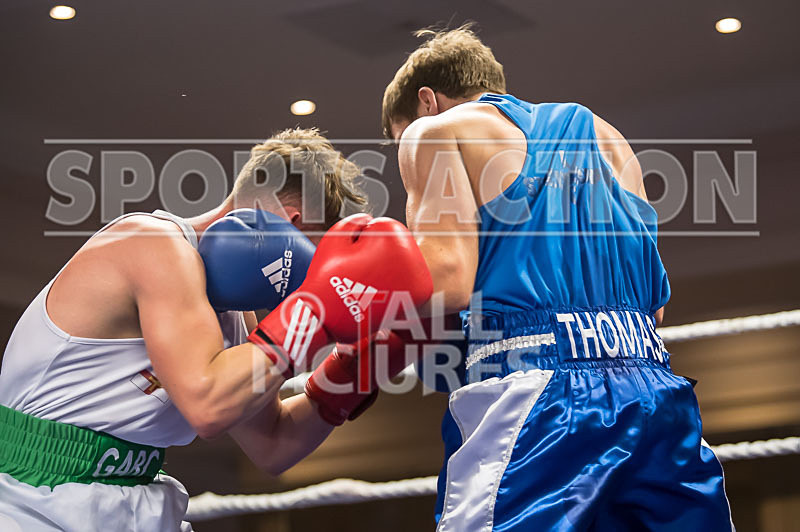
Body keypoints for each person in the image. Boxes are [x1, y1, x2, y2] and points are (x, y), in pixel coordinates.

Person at [382, 25, 734, 531]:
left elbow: (447, 281)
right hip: (656, 391)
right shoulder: (607, 136)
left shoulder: (434, 131)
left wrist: (349, 298)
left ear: (427, 101)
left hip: (538, 396)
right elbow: (655, 307)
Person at [0, 127, 432, 531]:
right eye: (310, 259)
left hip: (130, 494)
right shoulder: (151, 243)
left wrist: (353, 373)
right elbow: (207, 405)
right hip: (33, 493)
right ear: (292, 225)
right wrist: (315, 305)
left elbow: (273, 444)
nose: (301, 283)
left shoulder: (235, 317)